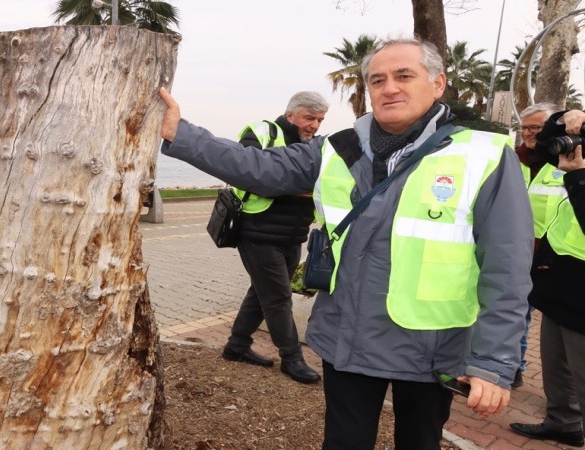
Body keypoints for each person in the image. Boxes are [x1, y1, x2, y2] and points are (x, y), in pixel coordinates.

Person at [158, 37, 532, 450]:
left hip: (433, 347)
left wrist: (493, 362)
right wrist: (180, 133)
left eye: (404, 76)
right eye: (377, 80)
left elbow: (507, 270)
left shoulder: (482, 155)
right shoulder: (339, 147)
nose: (389, 88)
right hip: (348, 338)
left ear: (438, 83)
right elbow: (258, 167)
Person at [221, 92, 328, 384]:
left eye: (320, 120)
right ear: (291, 114)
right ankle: (292, 358)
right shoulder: (262, 133)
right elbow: (246, 175)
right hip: (257, 233)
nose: (314, 125)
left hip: (293, 235)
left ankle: (236, 346)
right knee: (279, 297)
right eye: (309, 118)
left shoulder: (314, 146)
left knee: (262, 292)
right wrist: (303, 189)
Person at [509, 109, 585, 448]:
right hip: (561, 276)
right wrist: (567, 117)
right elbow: (543, 145)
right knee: (556, 362)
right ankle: (563, 422)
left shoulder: (577, 173)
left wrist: (578, 177)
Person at [512, 102, 559, 389]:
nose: (528, 133)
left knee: (556, 326)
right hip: (515, 249)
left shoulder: (568, 161)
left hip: (552, 255)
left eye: (535, 128)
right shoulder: (512, 159)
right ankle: (513, 368)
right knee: (516, 312)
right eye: (524, 128)